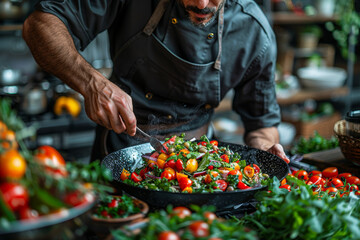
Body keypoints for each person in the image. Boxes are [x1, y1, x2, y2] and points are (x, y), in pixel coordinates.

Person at [22, 0, 290, 163]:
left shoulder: (254, 31)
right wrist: (91, 82)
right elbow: (39, 24)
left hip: (201, 168)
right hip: (120, 156)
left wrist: (265, 149)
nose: (202, 3)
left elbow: (263, 125)